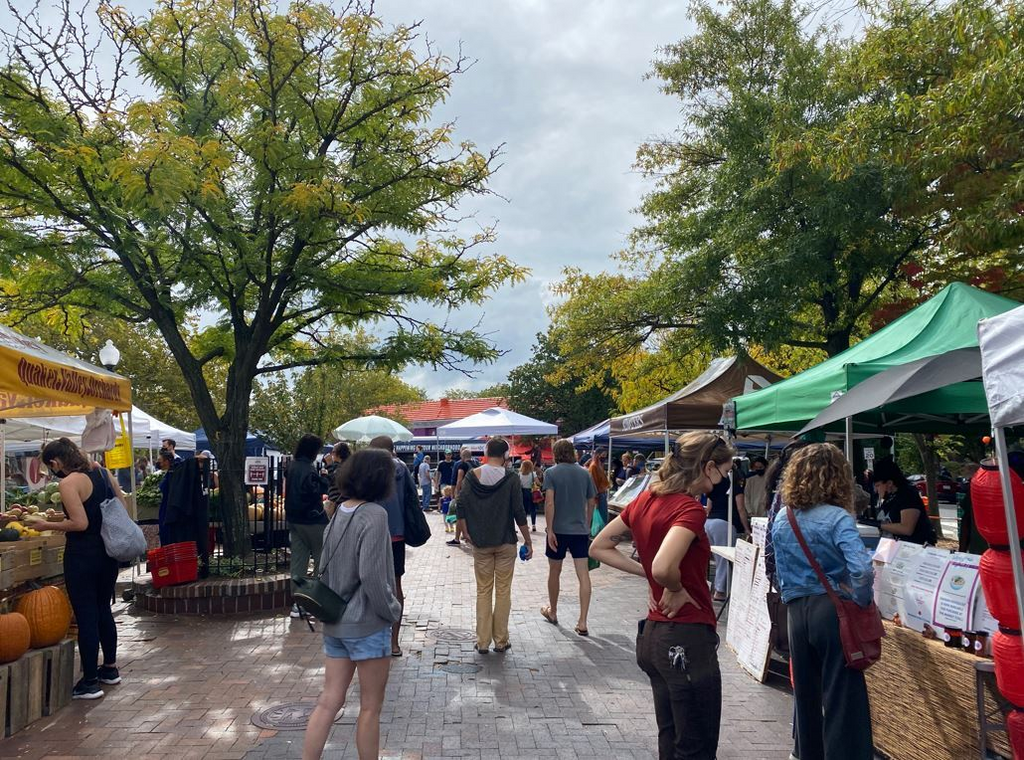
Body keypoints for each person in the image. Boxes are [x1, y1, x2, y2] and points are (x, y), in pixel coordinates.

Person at [590, 432, 733, 760]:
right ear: (708, 467)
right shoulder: (689, 509)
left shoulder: (644, 500)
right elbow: (665, 565)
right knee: (695, 743)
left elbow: (599, 547)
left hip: (655, 637)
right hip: (686, 638)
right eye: (723, 472)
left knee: (671, 738)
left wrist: (652, 576)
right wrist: (673, 586)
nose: (724, 479)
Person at [771, 443, 875, 760]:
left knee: (805, 694)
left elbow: (777, 566)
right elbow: (862, 568)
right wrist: (857, 598)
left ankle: (806, 753)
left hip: (796, 612)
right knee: (843, 697)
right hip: (829, 609)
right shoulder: (837, 518)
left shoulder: (782, 518)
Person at [302, 448, 402, 760]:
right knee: (371, 707)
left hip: (335, 622)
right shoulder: (375, 515)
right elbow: (372, 575)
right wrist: (393, 610)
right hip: (368, 625)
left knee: (328, 701)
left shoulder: (339, 511)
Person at [40, 438, 126, 700]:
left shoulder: (68, 483)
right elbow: (121, 503)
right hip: (108, 553)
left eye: (50, 467)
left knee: (86, 614)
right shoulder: (101, 472)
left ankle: (89, 682)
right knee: (103, 609)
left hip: (82, 556)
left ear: (55, 462)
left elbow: (79, 523)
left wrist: (47, 526)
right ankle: (109, 669)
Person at [453, 438, 534, 653]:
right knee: (503, 591)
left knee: (483, 590)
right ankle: (500, 640)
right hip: (506, 540)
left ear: (487, 453)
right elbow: (519, 511)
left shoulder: (472, 475)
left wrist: (464, 529)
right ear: (506, 455)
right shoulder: (512, 478)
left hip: (481, 541)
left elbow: (460, 503)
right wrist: (528, 539)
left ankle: (482, 641)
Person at [367, 435, 419, 657]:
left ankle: (372, 638)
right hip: (396, 533)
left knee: (369, 583)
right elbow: (412, 499)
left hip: (371, 534)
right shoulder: (402, 469)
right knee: (396, 584)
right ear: (392, 450)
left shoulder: (366, 470)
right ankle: (394, 642)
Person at [540, 438, 597, 636]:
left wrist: (550, 529)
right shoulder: (585, 473)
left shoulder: (551, 473)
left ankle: (553, 611)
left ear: (555, 453)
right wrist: (587, 524)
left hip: (558, 530)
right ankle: (582, 621)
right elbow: (592, 502)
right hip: (580, 530)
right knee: (583, 574)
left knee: (554, 571)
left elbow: (549, 503)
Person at [286, 434, 330, 618]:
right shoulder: (308, 469)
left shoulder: (292, 466)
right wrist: (326, 476)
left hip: (294, 520)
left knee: (298, 562)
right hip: (313, 520)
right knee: (322, 560)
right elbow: (318, 490)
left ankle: (298, 604)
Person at [704, 459, 749, 601]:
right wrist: (747, 528)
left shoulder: (714, 487)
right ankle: (720, 591)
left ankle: (712, 587)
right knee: (725, 559)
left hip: (709, 523)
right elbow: (741, 509)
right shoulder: (736, 488)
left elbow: (709, 508)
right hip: (724, 524)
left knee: (714, 558)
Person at [872, 458, 936, 545]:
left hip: (914, 548)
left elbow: (907, 528)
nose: (876, 490)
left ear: (889, 483)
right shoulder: (890, 497)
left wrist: (877, 524)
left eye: (878, 485)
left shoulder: (908, 495)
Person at [448, 448, 474, 546]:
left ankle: (457, 538)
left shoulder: (462, 465)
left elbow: (459, 480)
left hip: (464, 494)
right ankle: (467, 535)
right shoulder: (476, 464)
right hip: (476, 494)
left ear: (462, 456)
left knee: (460, 516)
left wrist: (456, 493)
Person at [588, 450, 611, 525]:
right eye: (603, 455)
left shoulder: (600, 466)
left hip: (602, 494)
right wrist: (596, 499)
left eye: (605, 455)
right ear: (597, 455)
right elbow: (594, 484)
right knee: (601, 518)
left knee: (603, 517)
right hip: (599, 495)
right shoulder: (594, 467)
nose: (604, 457)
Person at [519, 459, 540, 531]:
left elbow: (519, 485)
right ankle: (533, 525)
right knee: (533, 509)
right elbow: (538, 483)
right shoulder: (533, 474)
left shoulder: (520, 474)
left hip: (523, 493)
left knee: (524, 510)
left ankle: (526, 525)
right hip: (531, 492)